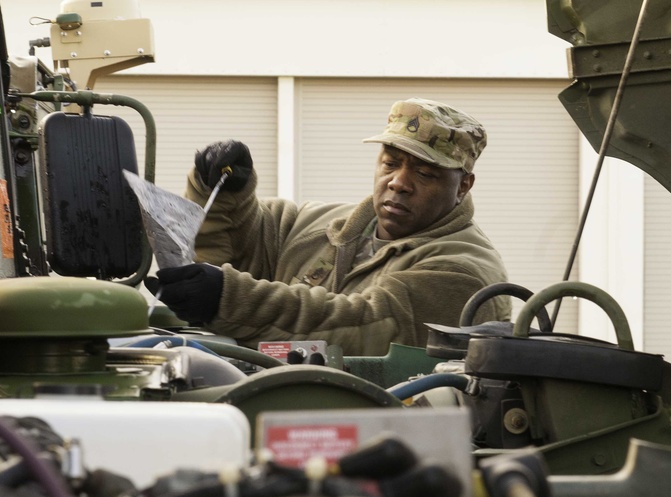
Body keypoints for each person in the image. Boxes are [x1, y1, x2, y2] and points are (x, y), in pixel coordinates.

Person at [146, 98, 510, 356]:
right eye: (390, 163)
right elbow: (252, 236)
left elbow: (359, 326)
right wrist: (223, 191)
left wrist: (227, 297)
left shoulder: (461, 271)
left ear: (463, 186)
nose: (399, 182)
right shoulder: (327, 226)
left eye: (425, 172)